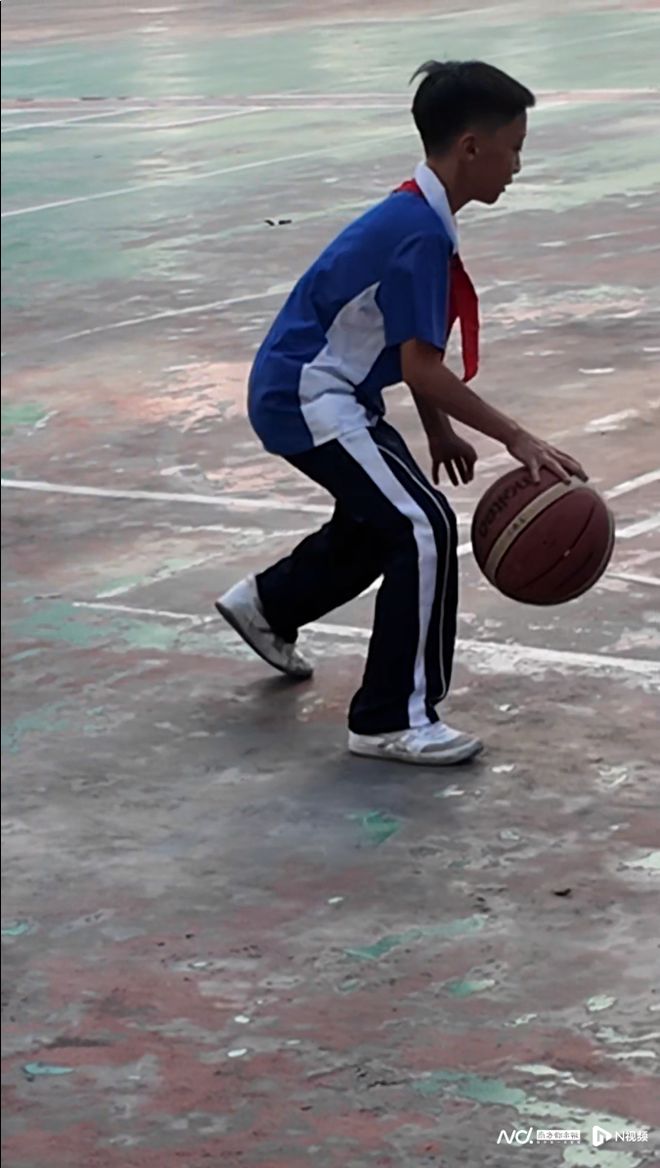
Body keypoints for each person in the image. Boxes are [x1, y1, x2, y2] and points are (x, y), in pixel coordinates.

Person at [216, 60, 587, 766]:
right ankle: (390, 718)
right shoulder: (420, 232)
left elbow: (409, 345)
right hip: (308, 394)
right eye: (513, 148)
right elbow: (421, 366)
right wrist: (516, 437)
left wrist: (439, 429)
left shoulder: (418, 215)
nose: (518, 165)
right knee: (422, 526)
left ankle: (268, 606)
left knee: (380, 522)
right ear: (471, 147)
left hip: (317, 390)